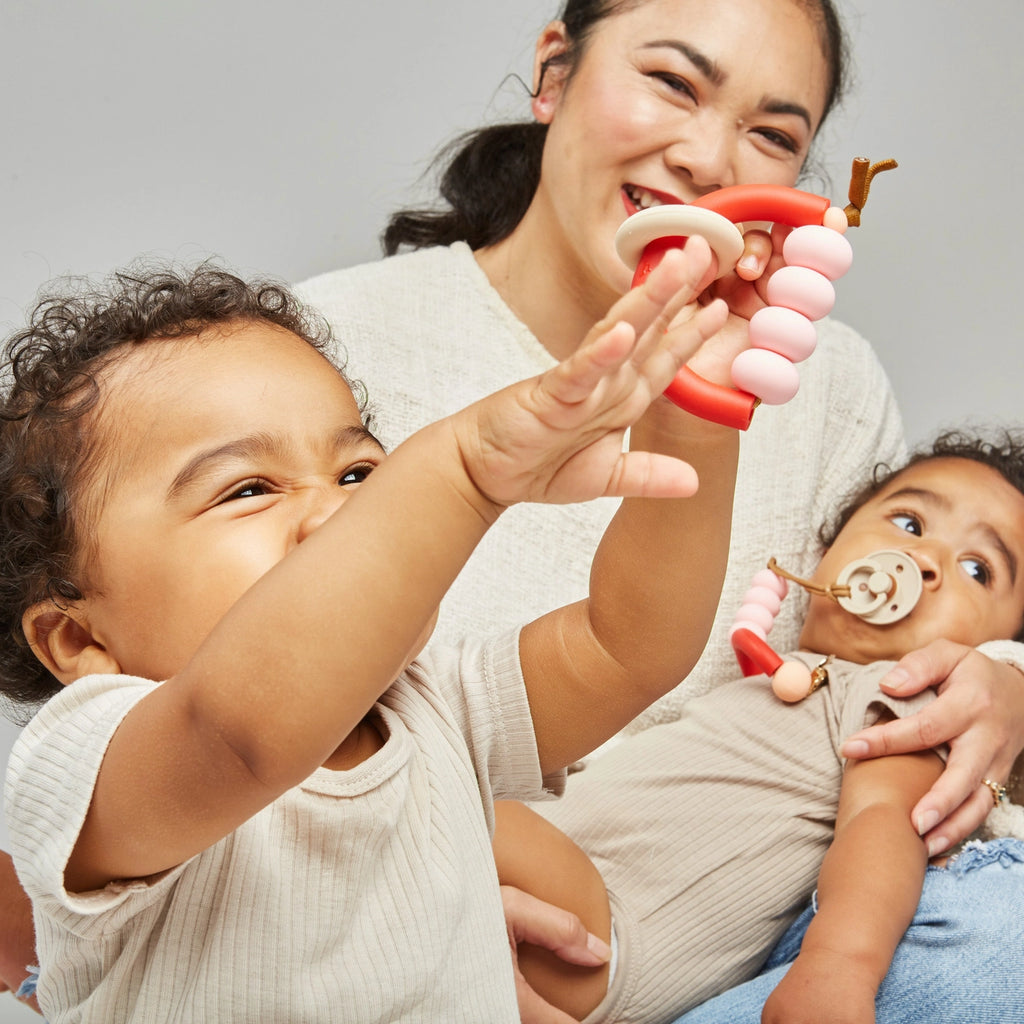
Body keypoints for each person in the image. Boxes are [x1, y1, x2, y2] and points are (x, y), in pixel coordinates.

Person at [294, 0, 1024, 876]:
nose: (707, 160)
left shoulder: (826, 379)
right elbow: (212, 706)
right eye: (673, 83)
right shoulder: (322, 344)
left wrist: (1008, 683)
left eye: (771, 134)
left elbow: (895, 643)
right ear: (554, 73)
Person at [0, 248, 740, 1022]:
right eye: (249, 489)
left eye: (359, 474)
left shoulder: (437, 707)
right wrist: (460, 473)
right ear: (77, 640)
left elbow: (628, 647)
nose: (344, 514)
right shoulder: (84, 763)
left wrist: (694, 424)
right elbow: (245, 730)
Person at [492, 430, 1024, 1024]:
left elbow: (883, 823)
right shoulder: (788, 683)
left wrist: (840, 963)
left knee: (448, 794)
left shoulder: (902, 695)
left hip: (594, 930)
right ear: (827, 552)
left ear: (999, 647)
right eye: (909, 524)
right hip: (546, 898)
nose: (924, 561)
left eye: (978, 569)